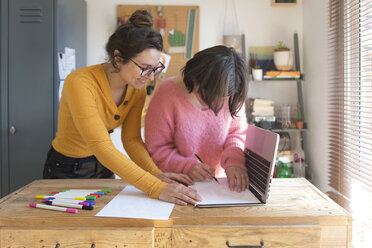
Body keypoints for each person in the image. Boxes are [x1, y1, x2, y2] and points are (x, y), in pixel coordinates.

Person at [43, 10, 201, 206]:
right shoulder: (80, 82)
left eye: (155, 69)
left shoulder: (137, 89)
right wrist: (155, 187)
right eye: (145, 68)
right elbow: (101, 146)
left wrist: (156, 174)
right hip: (66, 168)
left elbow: (132, 139)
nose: (151, 77)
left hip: (103, 165)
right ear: (118, 58)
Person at [145, 45, 249, 192]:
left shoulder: (232, 93)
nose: (212, 104)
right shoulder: (167, 93)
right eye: (206, 95)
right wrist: (187, 167)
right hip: (174, 185)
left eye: (220, 99)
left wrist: (235, 161)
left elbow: (236, 134)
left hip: (218, 186)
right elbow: (157, 148)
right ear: (194, 77)